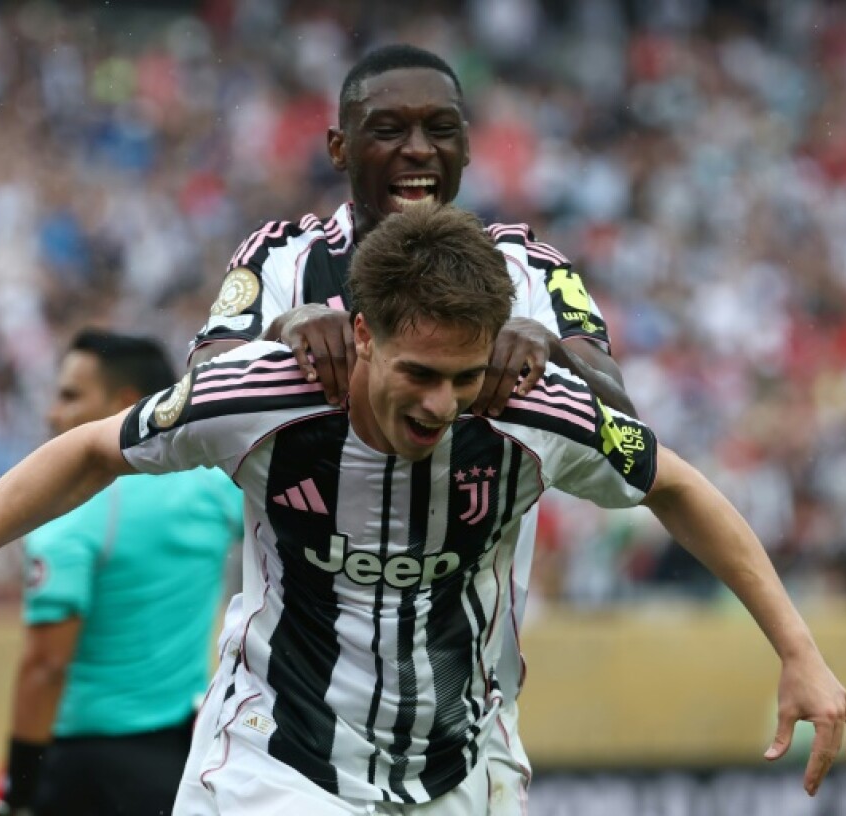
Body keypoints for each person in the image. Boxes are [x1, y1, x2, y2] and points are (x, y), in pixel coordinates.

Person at [0, 206, 846, 814]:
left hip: (458, 769)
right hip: (272, 760)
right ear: (361, 336)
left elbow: (672, 480)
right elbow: (88, 452)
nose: (445, 403)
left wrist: (797, 647)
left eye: (466, 374)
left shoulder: (532, 405)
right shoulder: (259, 396)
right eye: (420, 373)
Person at [187, 43, 635, 808]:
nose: (418, 151)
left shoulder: (524, 270)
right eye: (389, 128)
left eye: (441, 129)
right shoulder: (280, 259)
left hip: (463, 731)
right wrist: (285, 331)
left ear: (467, 143)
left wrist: (551, 348)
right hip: (282, 725)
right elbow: (195, 394)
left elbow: (622, 421)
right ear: (339, 147)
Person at [0, 330, 243, 816]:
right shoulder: (216, 488)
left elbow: (45, 666)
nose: (51, 413)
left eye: (70, 396)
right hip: (180, 764)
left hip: (81, 770)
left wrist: (18, 790)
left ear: (125, 403)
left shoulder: (67, 515)